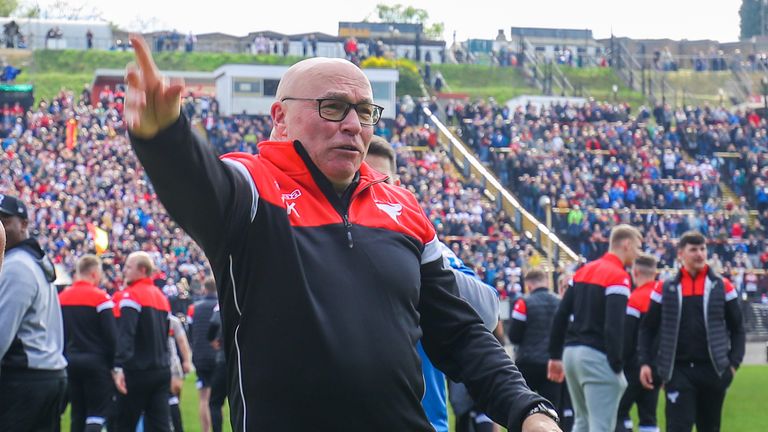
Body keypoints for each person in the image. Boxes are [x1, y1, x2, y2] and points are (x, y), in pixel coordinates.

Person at [124, 35, 560, 432]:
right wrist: (166, 138)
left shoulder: (402, 207)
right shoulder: (256, 186)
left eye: (365, 111)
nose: (353, 124)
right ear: (280, 118)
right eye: (332, 108)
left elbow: (460, 332)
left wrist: (528, 410)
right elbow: (203, 188)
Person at [365, 135, 505, 432]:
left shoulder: (425, 247)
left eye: (380, 184)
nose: (371, 196)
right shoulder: (325, 245)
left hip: (424, 423)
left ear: (398, 187)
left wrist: (410, 258)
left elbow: (487, 311)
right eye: (361, 184)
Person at [638, 231, 745, 432]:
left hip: (713, 372)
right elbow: (647, 328)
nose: (699, 254)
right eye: (693, 249)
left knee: (710, 428)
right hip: (678, 372)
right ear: (681, 254)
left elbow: (738, 328)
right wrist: (645, 362)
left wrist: (733, 365)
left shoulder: (723, 286)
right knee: (678, 427)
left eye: (703, 249)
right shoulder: (665, 288)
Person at [548, 224, 642, 432]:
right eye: (637, 246)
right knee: (600, 426)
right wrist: (617, 364)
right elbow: (615, 325)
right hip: (596, 356)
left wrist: (555, 355)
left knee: (581, 422)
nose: (638, 253)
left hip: (571, 355)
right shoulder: (618, 276)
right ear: (626, 244)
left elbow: (561, 315)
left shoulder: (584, 271)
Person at [0, 194, 68, 431]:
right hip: (48, 375)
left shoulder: (15, 265)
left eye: (4, 220)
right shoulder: (35, 260)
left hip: (25, 380)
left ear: (24, 224)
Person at [112, 251, 172, 432]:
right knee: (160, 426)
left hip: (136, 372)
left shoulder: (130, 296)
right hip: (161, 371)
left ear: (142, 270)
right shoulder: (162, 298)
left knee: (123, 425)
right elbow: (166, 335)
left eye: (129, 267)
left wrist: (118, 366)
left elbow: (126, 334)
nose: (124, 271)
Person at [59, 254, 118, 432]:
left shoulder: (61, 298)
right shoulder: (101, 299)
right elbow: (111, 337)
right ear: (94, 274)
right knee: (96, 414)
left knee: (77, 414)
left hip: (70, 362)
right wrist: (115, 365)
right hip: (96, 364)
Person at [615, 253, 661, 432]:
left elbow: (627, 336)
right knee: (649, 416)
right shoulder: (663, 295)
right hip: (657, 366)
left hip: (634, 366)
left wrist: (620, 361)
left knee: (620, 411)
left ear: (635, 272)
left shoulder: (635, 298)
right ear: (655, 272)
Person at [509, 269, 563, 416]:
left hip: (528, 362)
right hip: (553, 362)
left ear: (528, 285)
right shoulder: (560, 302)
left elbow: (514, 336)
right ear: (546, 281)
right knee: (552, 411)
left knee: (522, 408)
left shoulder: (523, 303)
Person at [187, 276, 220, 432]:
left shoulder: (194, 308)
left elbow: (190, 332)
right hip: (219, 356)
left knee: (204, 399)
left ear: (204, 289)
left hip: (201, 357)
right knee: (219, 399)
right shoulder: (220, 306)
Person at [168, 313, 192, 432]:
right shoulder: (173, 321)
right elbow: (182, 342)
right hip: (173, 367)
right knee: (173, 400)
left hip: (158, 367)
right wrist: (187, 361)